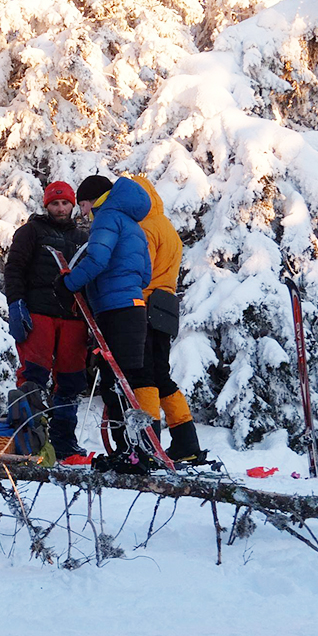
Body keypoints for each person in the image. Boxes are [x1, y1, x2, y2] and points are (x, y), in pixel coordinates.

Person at [55, 175, 151, 460]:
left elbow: (97, 260)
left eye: (82, 204)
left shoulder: (106, 218)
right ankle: (135, 446)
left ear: (91, 199)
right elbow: (145, 274)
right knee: (126, 381)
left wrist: (69, 283)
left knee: (113, 382)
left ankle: (127, 451)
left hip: (115, 310)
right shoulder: (133, 225)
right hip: (135, 307)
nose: (82, 212)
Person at [4, 181, 90, 462]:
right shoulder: (31, 232)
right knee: (33, 376)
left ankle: (64, 443)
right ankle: (27, 440)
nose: (61, 208)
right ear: (46, 205)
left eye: (65, 203)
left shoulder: (83, 237)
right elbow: (14, 268)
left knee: (70, 381)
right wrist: (16, 304)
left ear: (73, 204)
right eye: (55, 203)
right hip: (38, 313)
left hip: (74, 318)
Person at [132, 175, 202, 462]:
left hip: (145, 303)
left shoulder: (145, 229)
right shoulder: (167, 227)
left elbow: (139, 268)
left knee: (144, 376)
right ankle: (186, 443)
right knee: (162, 375)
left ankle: (149, 445)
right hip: (166, 306)